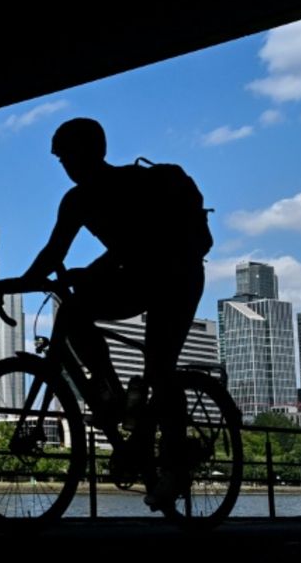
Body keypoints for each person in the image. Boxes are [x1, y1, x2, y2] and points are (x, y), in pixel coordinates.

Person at [19, 117, 209, 505]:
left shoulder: (132, 184)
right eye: (62, 159)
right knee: (71, 312)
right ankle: (113, 394)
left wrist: (87, 274)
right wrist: (12, 285)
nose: (67, 164)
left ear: (94, 151)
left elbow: (140, 248)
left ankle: (175, 467)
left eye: (70, 155)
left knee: (160, 367)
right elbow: (53, 253)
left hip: (178, 275)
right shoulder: (76, 201)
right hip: (140, 278)